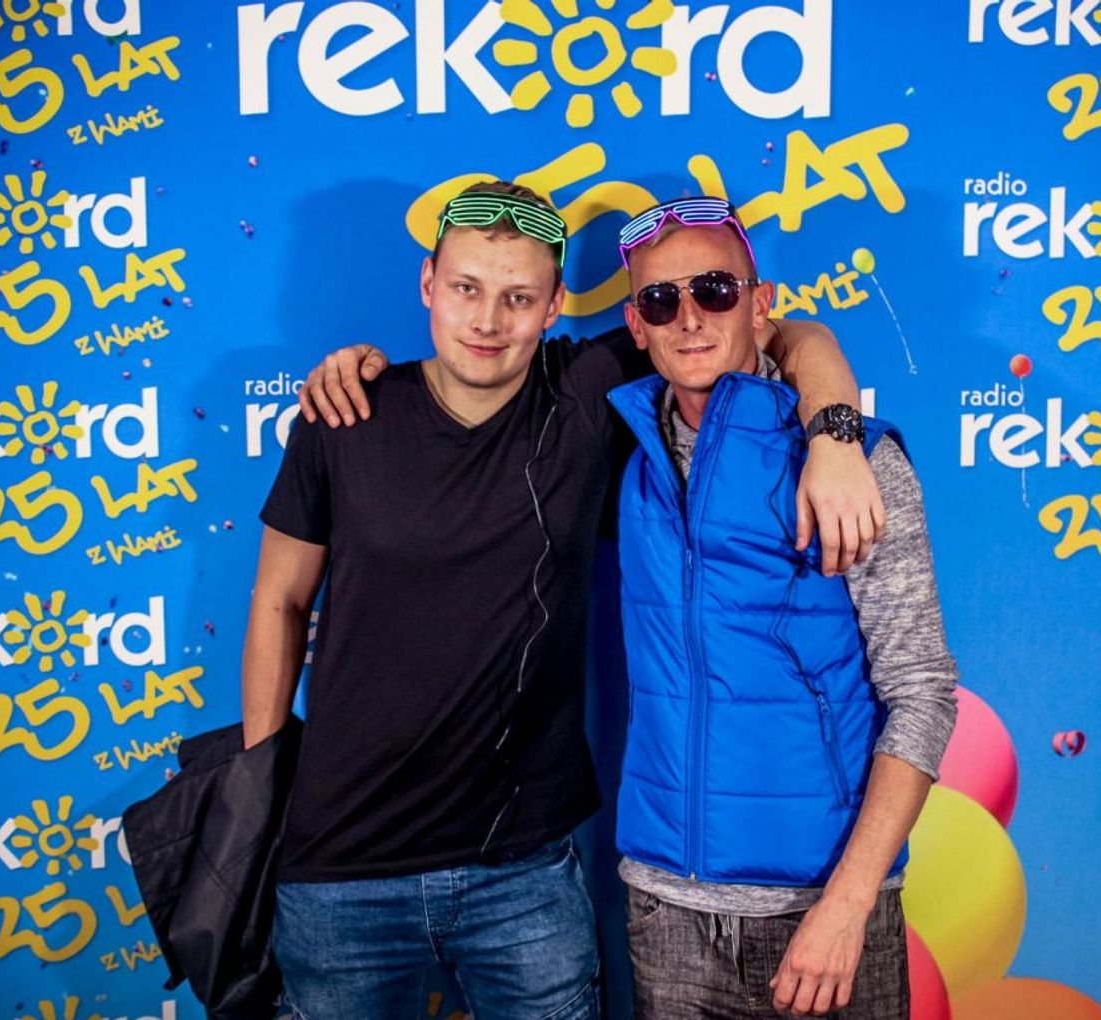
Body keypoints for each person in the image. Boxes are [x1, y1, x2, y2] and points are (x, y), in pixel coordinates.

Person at [246, 181, 879, 1019]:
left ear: (552, 309)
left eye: (518, 298)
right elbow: (278, 601)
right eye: (466, 288)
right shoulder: (346, 415)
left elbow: (783, 332)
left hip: (523, 872)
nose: (487, 320)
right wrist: (258, 791)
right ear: (428, 283)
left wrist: (835, 435)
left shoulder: (588, 391)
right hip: (340, 867)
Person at [605, 199, 959, 1019]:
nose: (690, 318)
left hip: (824, 911)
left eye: (715, 290)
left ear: (760, 304)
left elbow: (923, 692)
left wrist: (849, 904)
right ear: (635, 324)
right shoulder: (628, 455)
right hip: (666, 912)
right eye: (661, 300)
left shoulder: (854, 461)